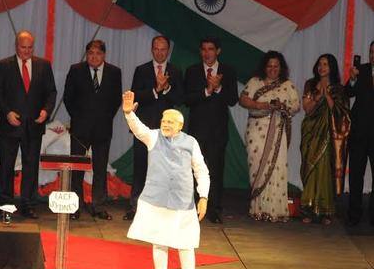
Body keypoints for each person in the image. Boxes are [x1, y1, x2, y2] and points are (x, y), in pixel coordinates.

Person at [123, 90, 209, 269]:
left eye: (171, 121)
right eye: (164, 120)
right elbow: (139, 129)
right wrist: (129, 114)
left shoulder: (190, 142)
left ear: (180, 126)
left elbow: (201, 171)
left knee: (186, 244)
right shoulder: (153, 137)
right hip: (157, 201)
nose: (166, 124)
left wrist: (203, 197)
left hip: (183, 203)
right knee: (159, 243)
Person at [0, 30, 57, 219]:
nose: (26, 51)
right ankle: (4, 204)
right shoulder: (3, 65)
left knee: (31, 167)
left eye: (30, 48)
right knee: (6, 166)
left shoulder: (43, 65)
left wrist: (46, 111)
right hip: (10, 124)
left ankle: (28, 204)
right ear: (16, 46)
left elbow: (51, 92)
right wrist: (7, 112)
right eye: (23, 47)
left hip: (34, 125)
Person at [125, 35, 184, 221]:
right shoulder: (141, 70)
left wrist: (166, 88)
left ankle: (160, 208)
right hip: (143, 128)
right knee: (141, 168)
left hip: (167, 130)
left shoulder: (175, 71)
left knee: (164, 170)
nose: (160, 52)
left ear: (168, 50)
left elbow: (180, 98)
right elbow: (135, 96)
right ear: (152, 50)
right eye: (156, 49)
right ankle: (135, 207)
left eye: (163, 49)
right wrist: (155, 90)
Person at [63, 40, 122, 220]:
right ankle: (75, 207)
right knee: (77, 170)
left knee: (100, 169)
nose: (94, 57)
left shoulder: (114, 72)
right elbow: (68, 98)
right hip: (80, 130)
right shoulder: (76, 70)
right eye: (90, 53)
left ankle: (98, 206)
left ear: (104, 55)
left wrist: (104, 118)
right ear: (86, 54)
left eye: (97, 53)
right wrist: (79, 119)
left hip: (103, 129)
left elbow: (115, 100)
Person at [239, 51, 300, 222]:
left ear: (281, 68)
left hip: (277, 133)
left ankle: (275, 211)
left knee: (276, 169)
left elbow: (296, 106)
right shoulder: (254, 82)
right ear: (264, 67)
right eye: (269, 66)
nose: (272, 69)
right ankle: (257, 209)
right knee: (257, 167)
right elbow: (243, 100)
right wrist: (263, 105)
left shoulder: (287, 85)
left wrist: (282, 106)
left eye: (276, 66)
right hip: (256, 131)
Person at [184, 36, 238, 223]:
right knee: (192, 170)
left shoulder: (228, 71)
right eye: (204, 49)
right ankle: (190, 207)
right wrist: (207, 90)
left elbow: (233, 99)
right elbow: (187, 99)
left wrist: (218, 87)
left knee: (215, 170)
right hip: (197, 130)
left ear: (218, 51)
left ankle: (213, 209)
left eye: (211, 49)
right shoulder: (192, 71)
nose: (207, 53)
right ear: (200, 51)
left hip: (218, 131)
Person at [300, 54, 350, 225]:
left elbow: (340, 113)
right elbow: (306, 109)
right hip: (311, 133)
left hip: (329, 134)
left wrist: (327, 94)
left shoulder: (338, 89)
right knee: (311, 168)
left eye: (326, 64)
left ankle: (326, 211)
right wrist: (318, 96)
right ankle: (308, 209)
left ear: (332, 67)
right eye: (320, 64)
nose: (322, 67)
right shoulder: (310, 84)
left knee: (325, 170)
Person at [345, 43, 374, 227]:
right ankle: (354, 215)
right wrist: (352, 79)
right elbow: (348, 92)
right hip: (358, 133)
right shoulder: (361, 70)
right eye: (371, 52)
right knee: (356, 176)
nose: (373, 56)